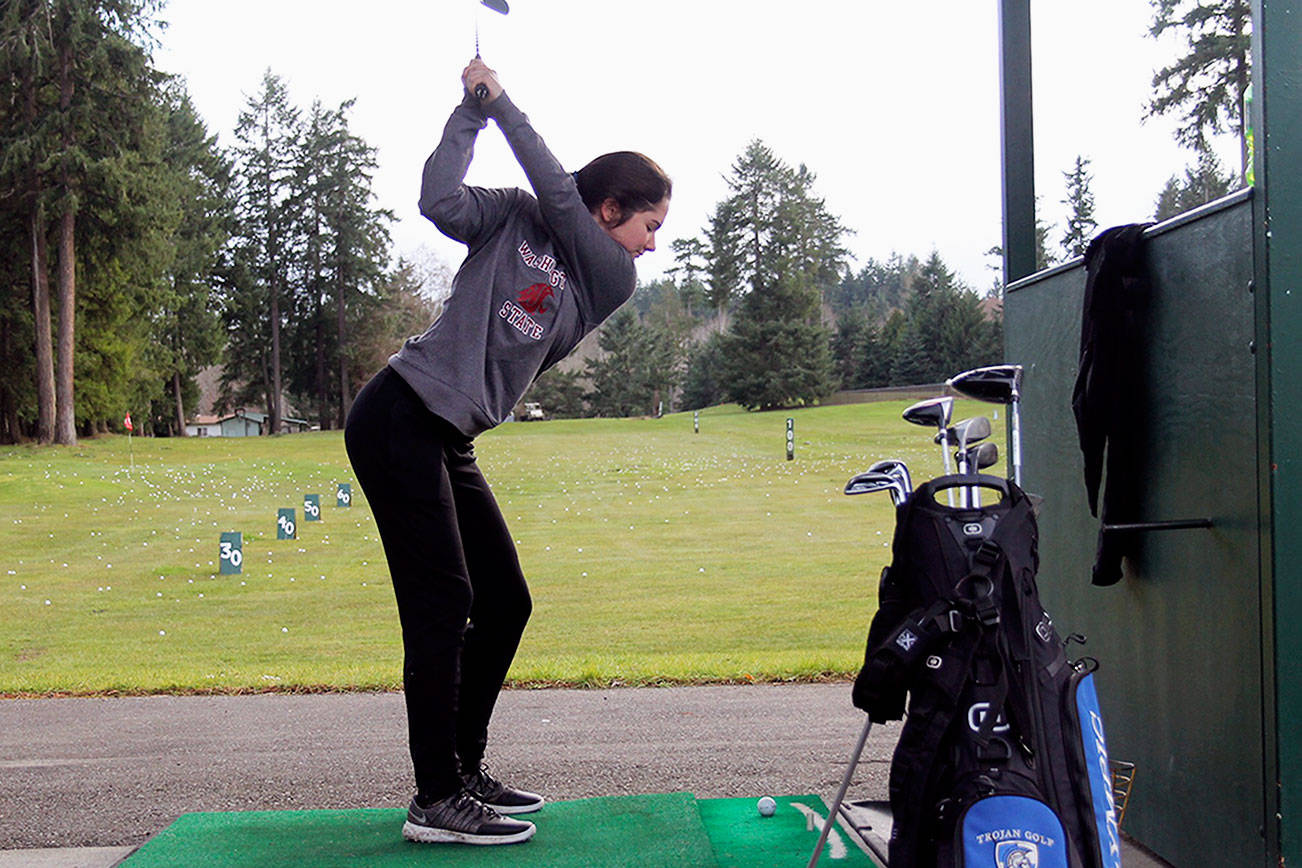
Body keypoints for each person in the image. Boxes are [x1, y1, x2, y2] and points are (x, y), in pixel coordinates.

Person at [343, 57, 670, 846]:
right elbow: (439, 200)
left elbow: (560, 197)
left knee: (505, 600)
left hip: (446, 434)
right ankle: (436, 797)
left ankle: (462, 767)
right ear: (611, 205)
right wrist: (474, 112)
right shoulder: (515, 215)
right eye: (648, 224)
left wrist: (502, 102)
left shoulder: (608, 276)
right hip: (400, 414)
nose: (652, 245)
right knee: (442, 603)